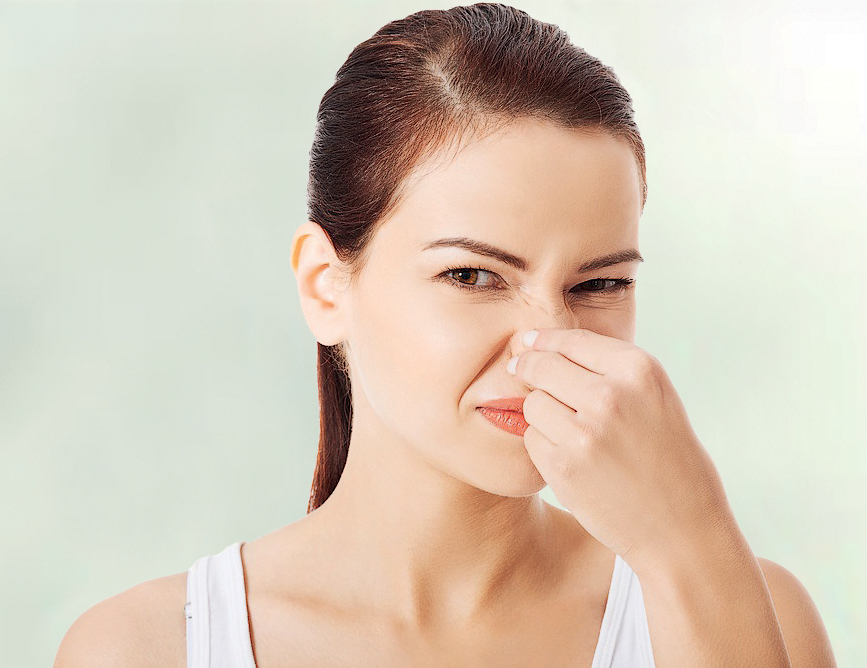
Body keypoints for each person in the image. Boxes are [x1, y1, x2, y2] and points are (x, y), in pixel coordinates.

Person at [55, 3, 837, 666]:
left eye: (598, 285)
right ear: (325, 286)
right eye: (472, 276)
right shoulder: (145, 649)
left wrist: (688, 550)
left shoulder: (750, 615)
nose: (545, 343)